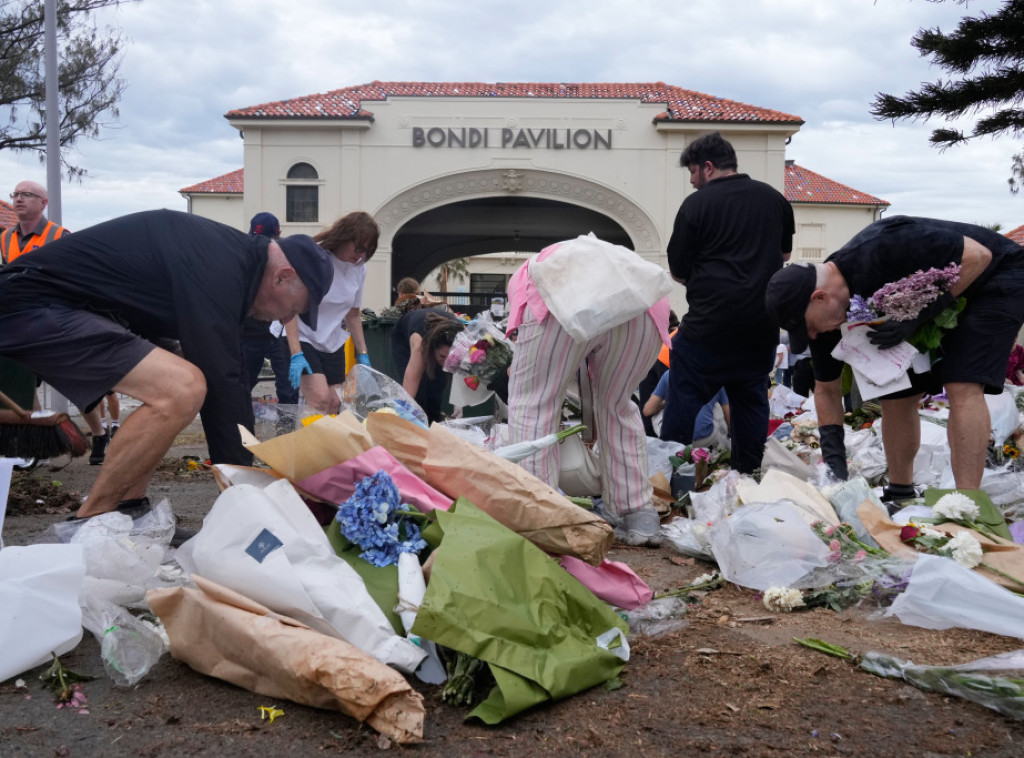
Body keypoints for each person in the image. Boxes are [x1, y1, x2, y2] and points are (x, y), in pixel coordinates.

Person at [0, 209, 332, 522]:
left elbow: (229, 368)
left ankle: (128, 508)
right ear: (282, 277)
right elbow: (223, 378)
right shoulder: (218, 265)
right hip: (32, 304)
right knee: (182, 386)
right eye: (295, 309)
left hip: (90, 310)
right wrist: (241, 487)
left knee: (184, 374)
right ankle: (94, 518)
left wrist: (240, 471)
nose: (288, 319)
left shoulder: (237, 264)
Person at [766, 215, 1024, 500]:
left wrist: (916, 318)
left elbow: (979, 255)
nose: (811, 335)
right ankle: (900, 493)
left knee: (961, 382)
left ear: (820, 297)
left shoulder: (883, 247)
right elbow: (827, 392)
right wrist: (835, 470)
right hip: (937, 299)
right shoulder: (826, 324)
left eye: (809, 325)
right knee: (894, 392)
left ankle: (967, 505)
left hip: (994, 276)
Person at [504, 241, 672, 547]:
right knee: (618, 406)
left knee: (534, 403)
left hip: (559, 292)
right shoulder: (616, 260)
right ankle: (639, 514)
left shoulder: (526, 276)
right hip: (643, 300)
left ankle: (538, 515)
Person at [659, 132, 795, 474]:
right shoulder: (775, 200)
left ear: (707, 167)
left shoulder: (696, 205)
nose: (691, 181)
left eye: (692, 172)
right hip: (761, 326)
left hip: (709, 325)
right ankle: (746, 476)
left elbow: (677, 271)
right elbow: (784, 256)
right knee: (750, 401)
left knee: (684, 398)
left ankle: (672, 476)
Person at [285, 211, 378, 413]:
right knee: (319, 399)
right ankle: (309, 443)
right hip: (301, 334)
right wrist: (295, 353)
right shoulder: (314, 258)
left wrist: (363, 354)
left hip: (331, 341)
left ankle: (324, 444)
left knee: (335, 403)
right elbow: (289, 307)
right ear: (345, 237)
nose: (361, 256)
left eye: (367, 251)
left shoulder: (359, 269)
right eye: (359, 248)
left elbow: (353, 314)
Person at [241, 212, 298, 405]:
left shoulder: (282, 255)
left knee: (285, 385)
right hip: (261, 329)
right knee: (249, 382)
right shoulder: (249, 254)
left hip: (273, 329)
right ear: (278, 232)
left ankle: (286, 428)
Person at [392, 308, 463, 422]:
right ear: (433, 349)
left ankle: (432, 426)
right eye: (442, 356)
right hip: (404, 336)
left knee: (437, 387)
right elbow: (411, 384)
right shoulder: (421, 346)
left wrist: (459, 402)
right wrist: (403, 410)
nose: (445, 363)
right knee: (419, 395)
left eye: (449, 358)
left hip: (436, 334)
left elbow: (461, 371)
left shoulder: (462, 340)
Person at [644, 372, 730, 446]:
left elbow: (648, 411)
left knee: (660, 409)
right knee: (717, 406)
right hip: (705, 438)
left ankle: (664, 440)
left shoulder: (670, 374)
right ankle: (719, 445)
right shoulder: (716, 377)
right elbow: (728, 415)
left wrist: (667, 403)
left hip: (676, 439)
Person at [1, 180, 67, 264]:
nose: (19, 199)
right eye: (15, 195)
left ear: (43, 203)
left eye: (26, 195)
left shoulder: (60, 236)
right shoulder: (5, 237)